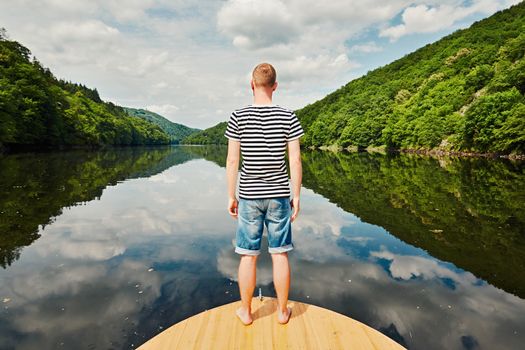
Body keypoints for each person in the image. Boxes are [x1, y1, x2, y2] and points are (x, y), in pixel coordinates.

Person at [224, 63, 304, 326]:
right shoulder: (288, 116)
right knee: (279, 253)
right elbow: (294, 160)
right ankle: (282, 312)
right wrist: (297, 196)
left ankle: (246, 313)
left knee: (248, 255)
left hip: (248, 195)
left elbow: (233, 161)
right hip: (280, 194)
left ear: (251, 84)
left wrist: (231, 195)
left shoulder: (238, 116)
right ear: (275, 86)